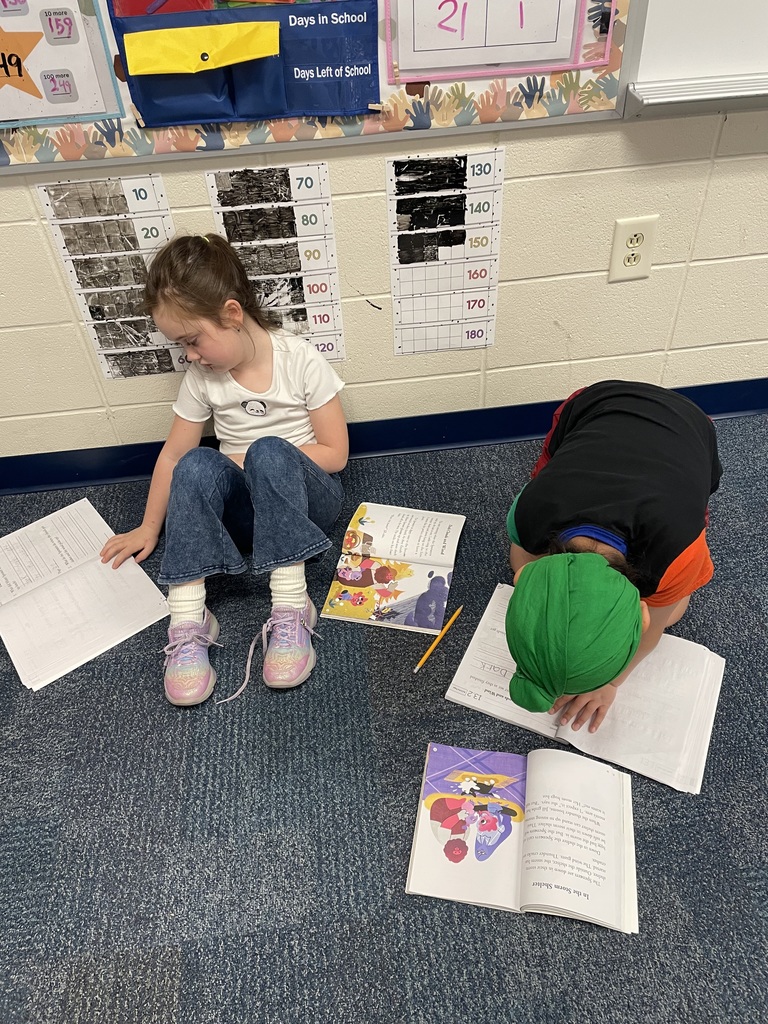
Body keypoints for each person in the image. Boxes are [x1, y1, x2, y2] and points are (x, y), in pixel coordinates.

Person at [100, 233, 348, 706]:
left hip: (306, 504)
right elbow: (173, 458)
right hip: (246, 518)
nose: (189, 355)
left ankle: (293, 606)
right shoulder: (203, 377)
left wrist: (248, 457)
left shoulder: (300, 360)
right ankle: (189, 620)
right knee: (194, 462)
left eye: (192, 341)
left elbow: (335, 454)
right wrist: (150, 526)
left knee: (270, 452)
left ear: (232, 314)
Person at [504, 380, 722, 732]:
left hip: (691, 427)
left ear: (643, 612)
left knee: (676, 610)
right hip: (592, 406)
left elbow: (659, 622)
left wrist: (611, 683)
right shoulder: (529, 512)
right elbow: (523, 557)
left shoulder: (679, 552)